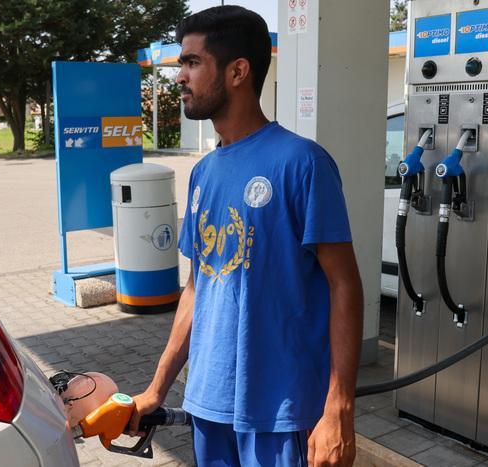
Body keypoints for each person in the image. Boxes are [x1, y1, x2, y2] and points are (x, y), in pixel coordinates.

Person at [129, 6, 364, 466]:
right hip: (208, 405)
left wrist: (339, 407)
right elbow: (198, 286)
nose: (180, 77)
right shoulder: (202, 173)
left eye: (192, 62)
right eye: (182, 63)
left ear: (238, 71)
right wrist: (157, 388)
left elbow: (345, 285)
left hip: (280, 413)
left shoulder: (302, 163)